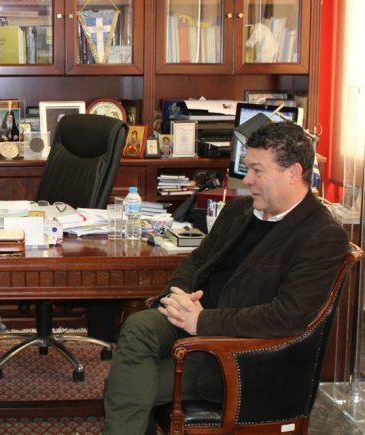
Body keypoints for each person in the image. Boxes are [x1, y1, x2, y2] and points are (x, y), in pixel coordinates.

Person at [103, 122, 350, 434]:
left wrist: (202, 322)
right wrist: (178, 297)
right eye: (247, 168)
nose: (247, 180)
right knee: (139, 326)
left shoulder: (322, 235)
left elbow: (287, 316)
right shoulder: (240, 210)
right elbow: (198, 260)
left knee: (125, 386)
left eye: (257, 171)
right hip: (189, 319)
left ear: (293, 172)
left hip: (234, 353)